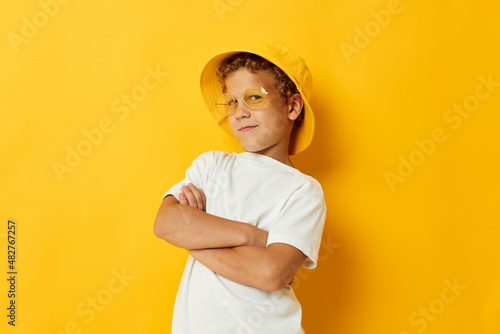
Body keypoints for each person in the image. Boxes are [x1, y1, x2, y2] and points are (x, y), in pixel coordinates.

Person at [154, 41, 327, 333]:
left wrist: (195, 234)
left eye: (254, 98)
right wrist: (254, 237)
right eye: (232, 102)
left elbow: (271, 273)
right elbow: (166, 223)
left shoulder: (303, 190)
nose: (239, 112)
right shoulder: (212, 166)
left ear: (292, 106)